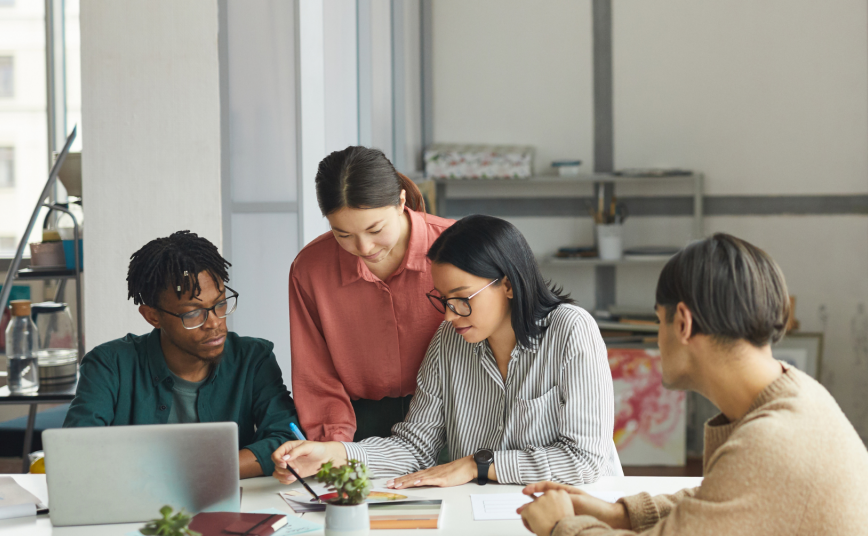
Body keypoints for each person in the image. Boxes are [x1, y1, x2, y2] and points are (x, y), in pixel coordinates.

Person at [517, 233, 868, 536]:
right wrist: (616, 514)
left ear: (682, 322)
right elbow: (718, 497)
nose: (656, 339)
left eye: (657, 322)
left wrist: (559, 527)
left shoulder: (771, 442)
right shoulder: (795, 391)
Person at [273, 215, 618, 488]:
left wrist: (478, 464)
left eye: (461, 299)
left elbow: (584, 460)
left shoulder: (571, 330)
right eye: (442, 299)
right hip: (482, 513)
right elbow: (415, 447)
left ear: (508, 285)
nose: (449, 314)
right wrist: (332, 454)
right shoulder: (448, 340)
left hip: (577, 511)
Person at [64, 231, 299, 479]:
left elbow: (286, 439)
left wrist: (191, 469)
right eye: (193, 314)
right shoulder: (109, 366)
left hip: (228, 506)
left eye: (220, 304)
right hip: (135, 511)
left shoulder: (252, 359)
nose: (215, 323)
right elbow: (78, 451)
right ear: (152, 316)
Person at [289, 146, 454, 442]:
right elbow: (315, 374)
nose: (364, 248)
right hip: (357, 425)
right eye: (344, 235)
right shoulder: (311, 268)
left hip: (455, 416)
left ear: (401, 201)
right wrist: (335, 448)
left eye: (375, 229)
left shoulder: (457, 246)